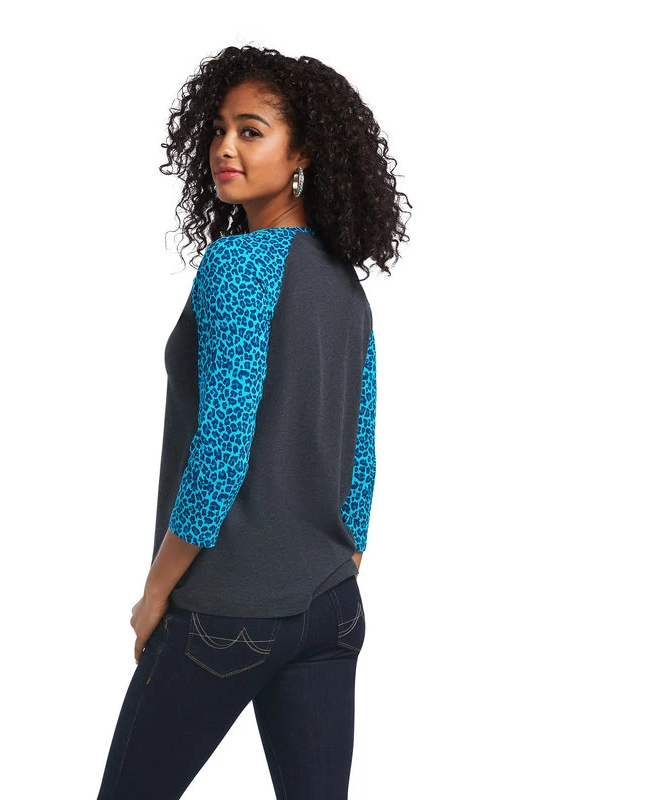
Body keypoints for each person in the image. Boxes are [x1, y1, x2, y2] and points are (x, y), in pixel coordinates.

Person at [96, 44, 411, 800]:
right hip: (331, 608)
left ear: (301, 153)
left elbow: (221, 451)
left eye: (251, 131)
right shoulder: (345, 283)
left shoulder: (238, 266)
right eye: (218, 130)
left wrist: (155, 593)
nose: (225, 148)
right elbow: (362, 451)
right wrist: (336, 563)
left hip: (225, 612)